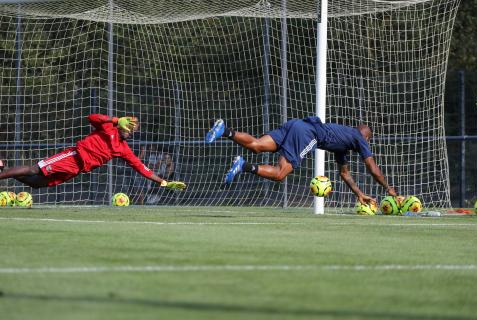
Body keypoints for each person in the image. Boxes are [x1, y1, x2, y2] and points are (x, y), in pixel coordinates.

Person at [205, 117, 397, 205]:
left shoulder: (345, 142)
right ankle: (243, 166)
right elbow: (372, 168)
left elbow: (344, 173)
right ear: (367, 139)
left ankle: (225, 131)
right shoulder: (359, 138)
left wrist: (359, 194)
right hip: (307, 134)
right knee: (280, 173)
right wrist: (388, 189)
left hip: (296, 124)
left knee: (256, 145)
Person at [0, 114, 186, 192]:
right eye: (130, 129)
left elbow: (141, 168)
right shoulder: (108, 128)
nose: (132, 133)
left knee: (37, 184)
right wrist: (114, 119)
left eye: (133, 131)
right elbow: (92, 118)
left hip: (77, 169)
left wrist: (163, 182)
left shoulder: (123, 148)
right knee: (34, 170)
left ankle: (3, 167)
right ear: (122, 126)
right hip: (73, 156)